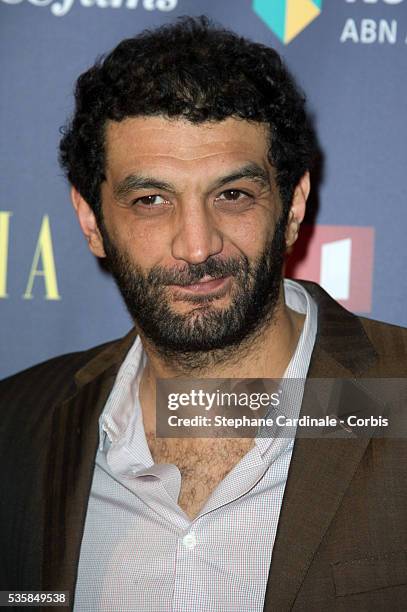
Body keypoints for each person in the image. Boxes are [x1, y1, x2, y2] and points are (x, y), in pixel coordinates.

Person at [1, 16, 406, 612]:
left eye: (232, 195)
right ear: (92, 221)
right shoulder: (17, 428)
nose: (197, 245)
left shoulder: (392, 395)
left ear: (292, 205)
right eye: (151, 200)